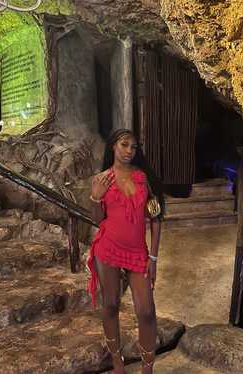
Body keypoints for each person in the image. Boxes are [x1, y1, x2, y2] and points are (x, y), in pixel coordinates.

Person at [87, 129, 163, 374]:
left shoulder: (143, 179)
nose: (129, 151)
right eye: (125, 145)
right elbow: (98, 220)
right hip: (108, 248)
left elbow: (156, 219)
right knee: (110, 304)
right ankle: (117, 363)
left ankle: (147, 370)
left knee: (147, 312)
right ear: (113, 146)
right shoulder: (101, 180)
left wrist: (153, 257)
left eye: (134, 147)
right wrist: (95, 198)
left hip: (138, 252)